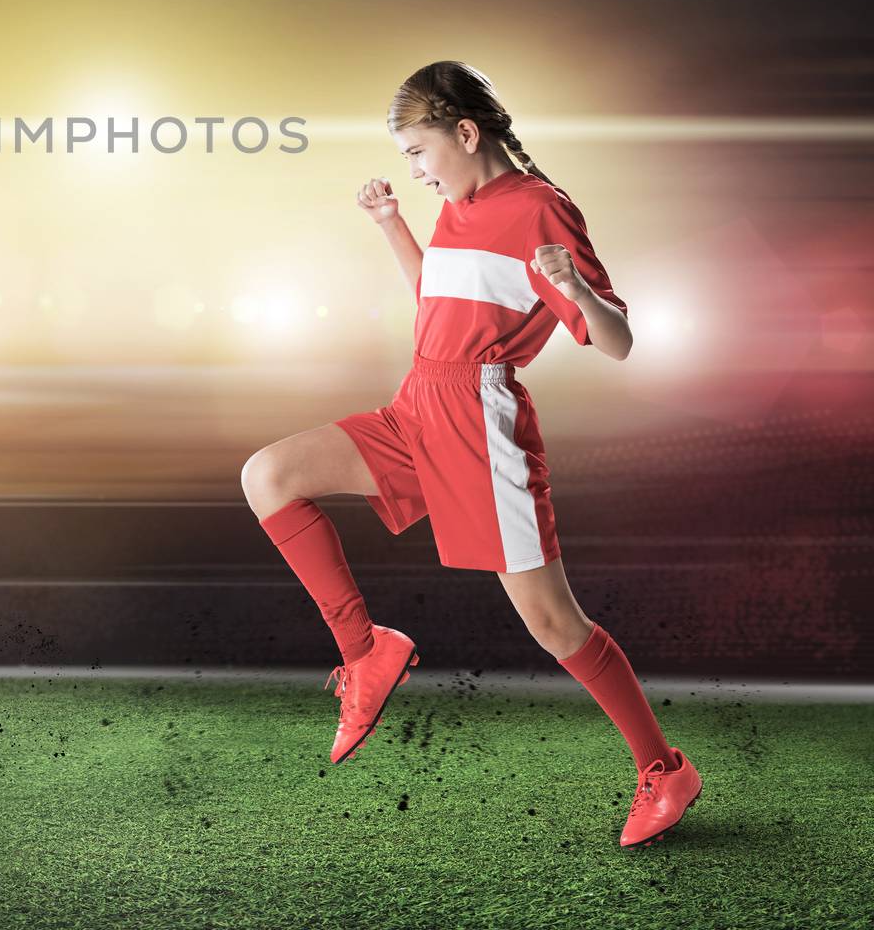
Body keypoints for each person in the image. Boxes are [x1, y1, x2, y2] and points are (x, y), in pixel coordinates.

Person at [240, 60, 702, 848]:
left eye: (418, 153)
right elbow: (441, 301)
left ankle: (663, 770)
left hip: (480, 426)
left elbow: (618, 341)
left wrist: (578, 290)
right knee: (270, 476)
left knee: (555, 625)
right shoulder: (457, 207)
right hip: (416, 404)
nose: (413, 171)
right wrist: (392, 226)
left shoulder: (540, 210)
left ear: (465, 132)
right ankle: (366, 651)